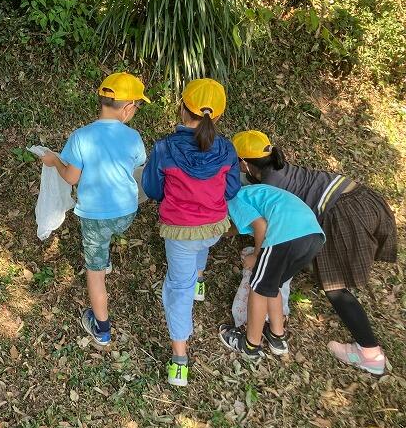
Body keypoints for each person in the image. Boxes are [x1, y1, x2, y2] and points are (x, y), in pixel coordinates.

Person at [231, 130, 397, 374]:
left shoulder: (269, 184)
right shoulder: (277, 168)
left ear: (244, 164)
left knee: (335, 287)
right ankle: (278, 332)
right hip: (362, 196)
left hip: (343, 212)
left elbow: (263, 228)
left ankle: (370, 353)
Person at [142, 78, 240, 386]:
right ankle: (199, 282)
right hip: (215, 227)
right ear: (218, 116)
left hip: (181, 231)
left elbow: (153, 188)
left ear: (182, 108)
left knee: (177, 290)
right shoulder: (226, 150)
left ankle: (180, 361)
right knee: (202, 248)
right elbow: (232, 189)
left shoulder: (165, 148)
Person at [41, 73, 149, 347]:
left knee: (95, 271)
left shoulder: (81, 137)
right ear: (127, 108)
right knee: (109, 233)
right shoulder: (133, 136)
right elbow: (139, 165)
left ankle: (102, 328)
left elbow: (72, 178)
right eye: (137, 106)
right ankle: (106, 252)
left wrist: (54, 161)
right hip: (127, 211)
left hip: (95, 216)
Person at [219, 184, 325, 360]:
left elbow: (261, 227)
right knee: (272, 285)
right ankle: (277, 336)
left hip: (285, 235)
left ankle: (250, 344)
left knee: (258, 287)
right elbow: (239, 226)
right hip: (313, 236)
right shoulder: (252, 193)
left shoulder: (233, 199)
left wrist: (256, 255)